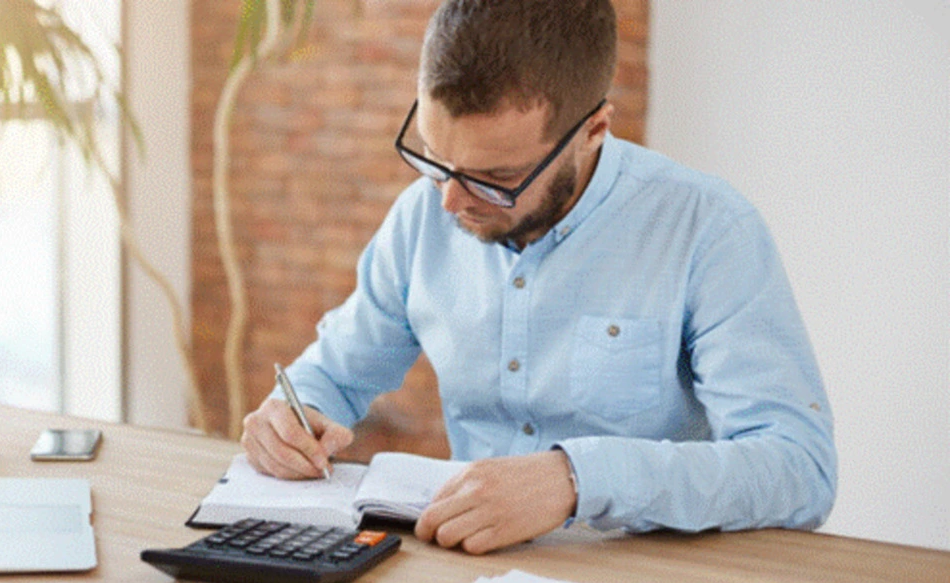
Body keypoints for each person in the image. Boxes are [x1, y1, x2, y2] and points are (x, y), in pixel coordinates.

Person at [239, 0, 836, 555]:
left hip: (645, 580)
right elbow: (333, 375)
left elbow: (799, 469)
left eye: (494, 177)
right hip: (464, 568)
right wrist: (290, 417)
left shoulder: (706, 228)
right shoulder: (423, 215)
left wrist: (576, 478)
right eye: (436, 158)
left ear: (594, 130)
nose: (450, 201)